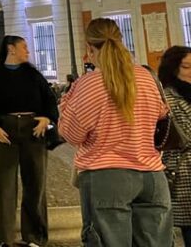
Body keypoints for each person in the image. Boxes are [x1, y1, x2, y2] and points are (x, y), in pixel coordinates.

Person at [59, 18, 172, 247]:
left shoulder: (89, 84)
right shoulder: (146, 77)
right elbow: (161, 113)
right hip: (152, 176)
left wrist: (65, 104)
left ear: (90, 48)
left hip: (106, 177)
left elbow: (71, 134)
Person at [0, 35, 58, 247]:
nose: (28, 51)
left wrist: (47, 118)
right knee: (3, 183)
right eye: (24, 47)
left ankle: (35, 235)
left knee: (35, 182)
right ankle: (2, 234)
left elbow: (50, 99)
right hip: (5, 129)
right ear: (11, 49)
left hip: (34, 130)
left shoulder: (34, 75)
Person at [158, 45, 191, 245]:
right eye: (186, 67)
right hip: (185, 172)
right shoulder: (169, 99)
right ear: (173, 69)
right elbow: (184, 135)